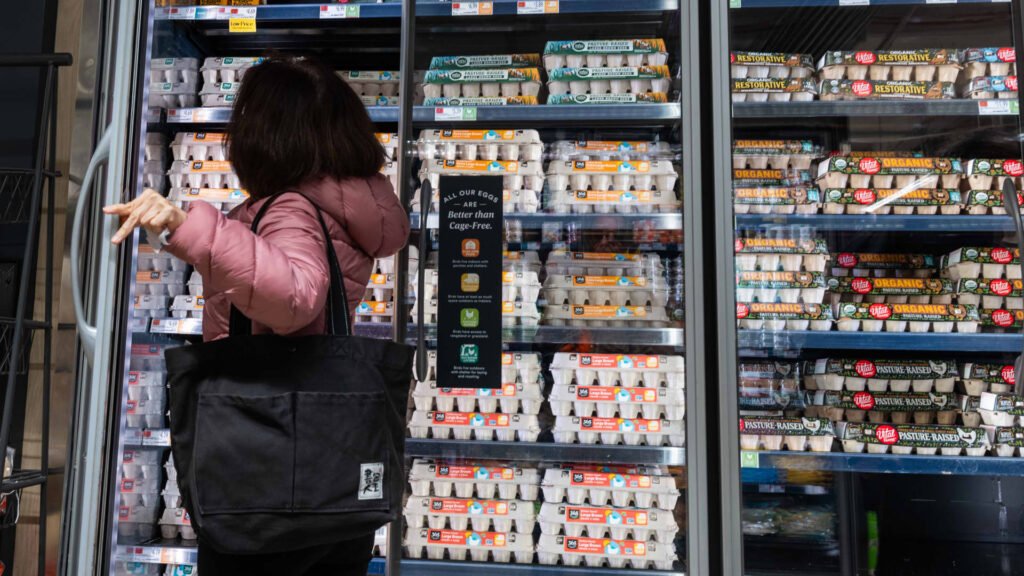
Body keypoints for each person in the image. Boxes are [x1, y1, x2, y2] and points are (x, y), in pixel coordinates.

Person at [104, 55, 409, 575]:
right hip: (329, 488)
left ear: (266, 134)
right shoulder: (329, 208)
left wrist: (187, 225)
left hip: (264, 482)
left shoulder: (289, 208)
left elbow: (293, 300)